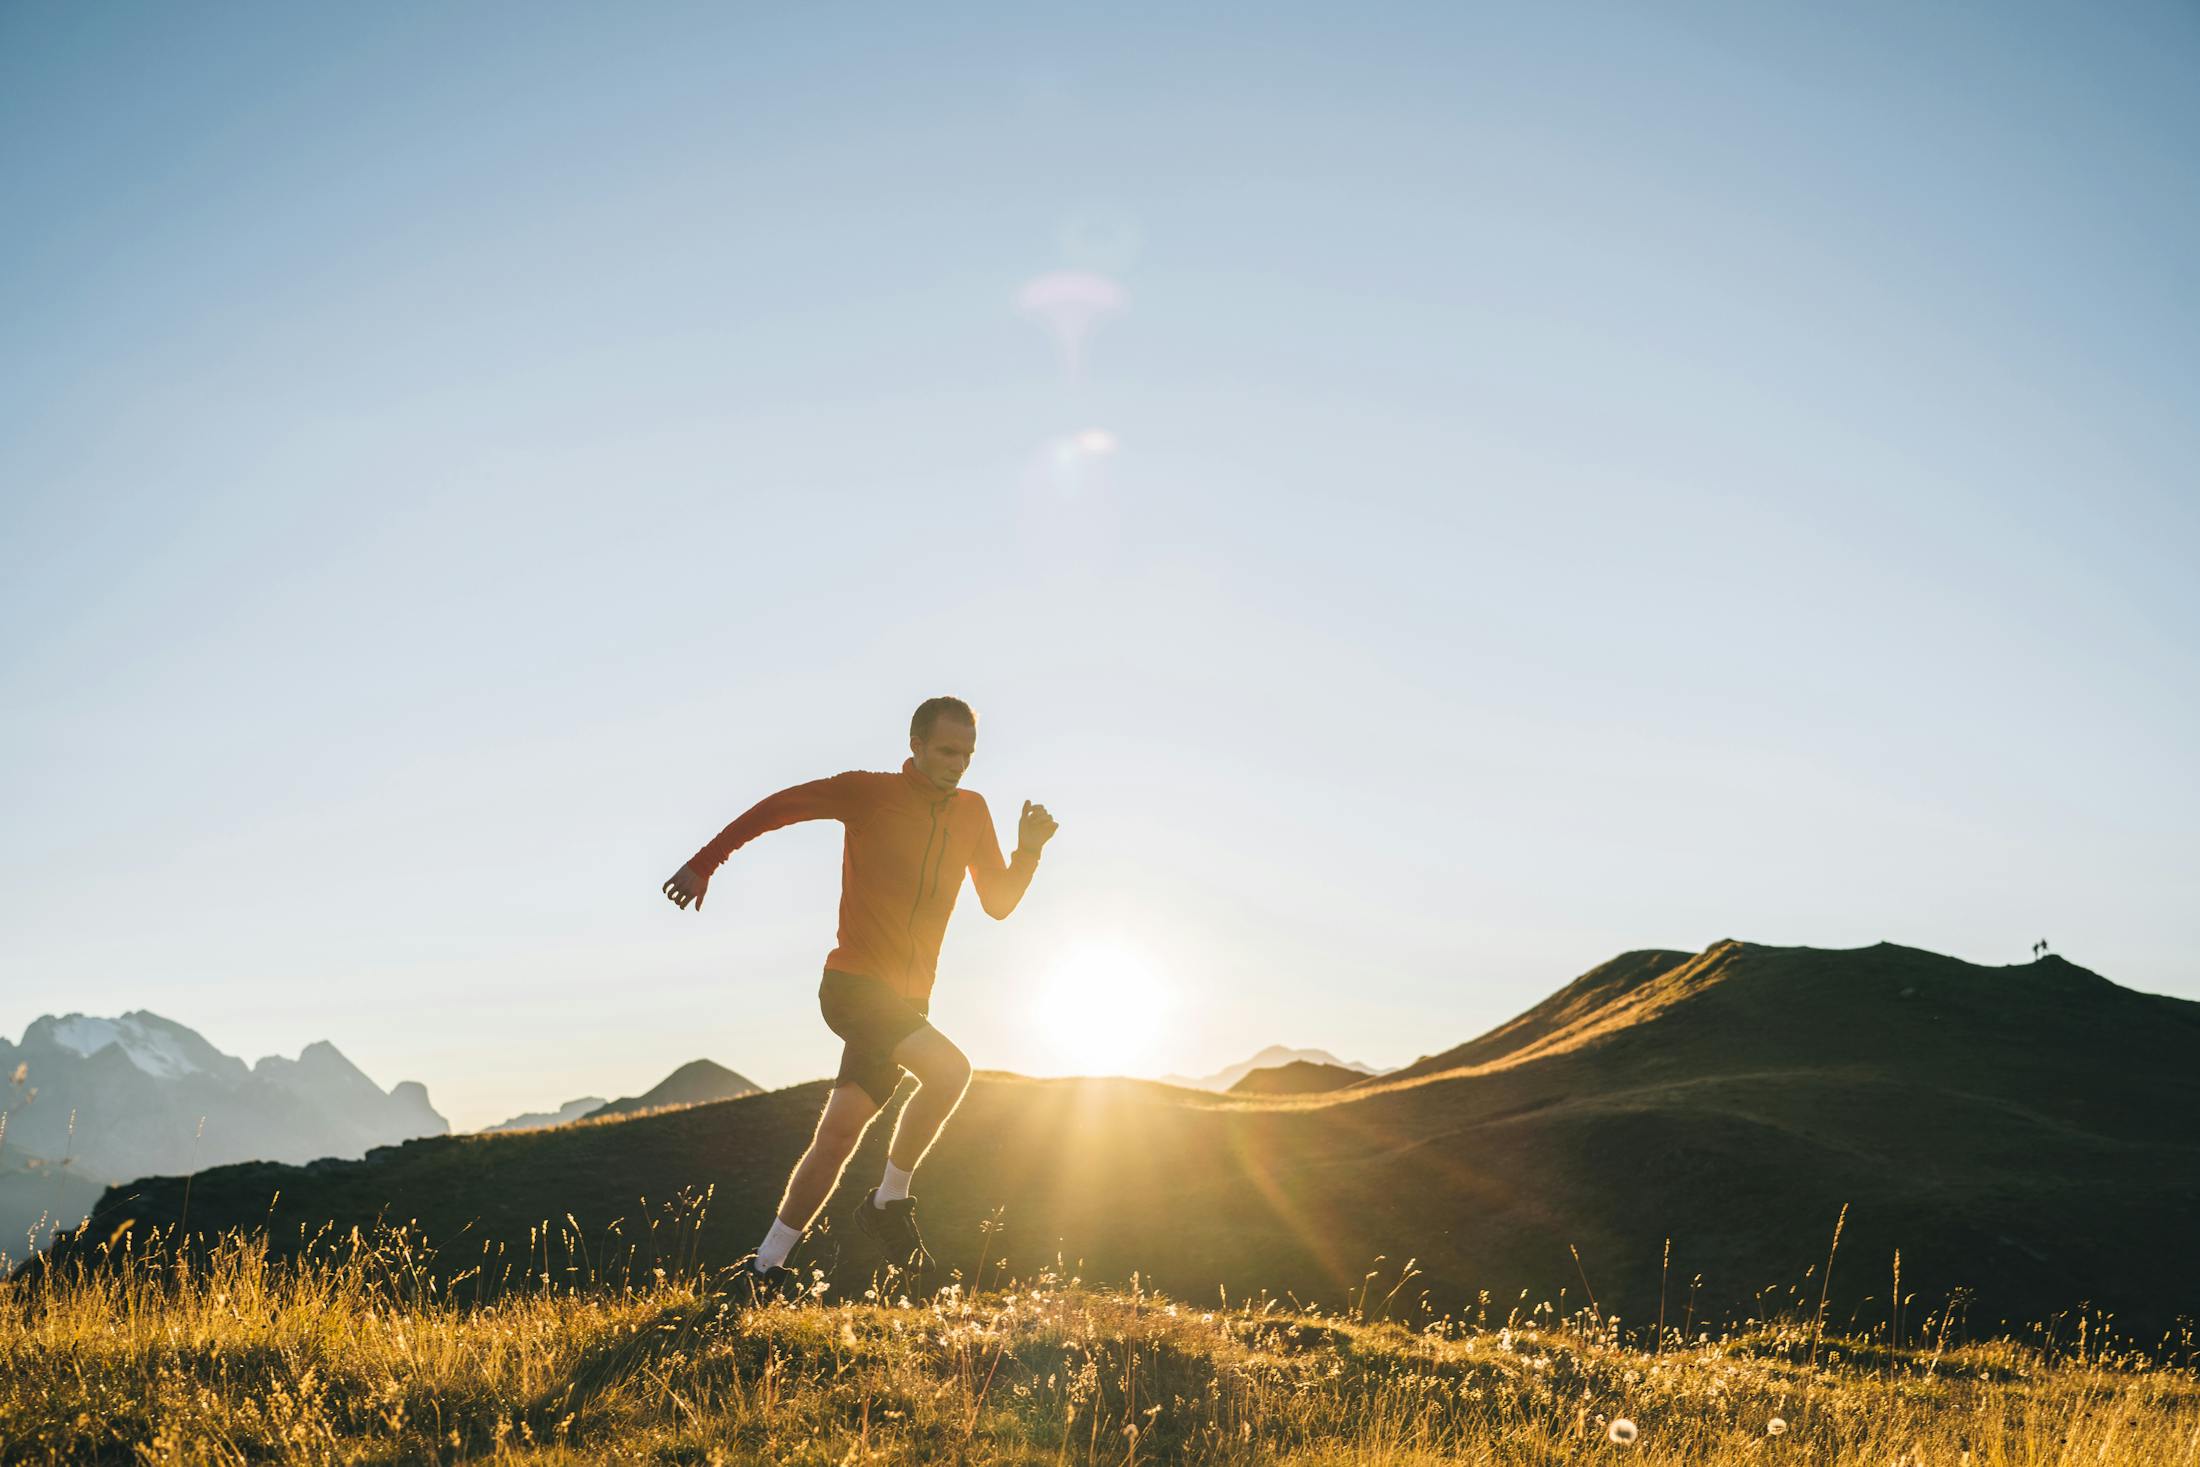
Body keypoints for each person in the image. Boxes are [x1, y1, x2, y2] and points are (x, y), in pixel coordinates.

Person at [661, 696, 1058, 1303]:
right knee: (951, 1070)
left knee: (838, 1136)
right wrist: (704, 863)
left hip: (906, 1004)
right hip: (853, 987)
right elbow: (779, 808)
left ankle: (764, 1270)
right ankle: (889, 1201)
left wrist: (1028, 850)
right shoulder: (867, 793)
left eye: (968, 754)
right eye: (947, 751)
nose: (958, 764)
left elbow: (997, 902)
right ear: (917, 746)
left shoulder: (973, 812)